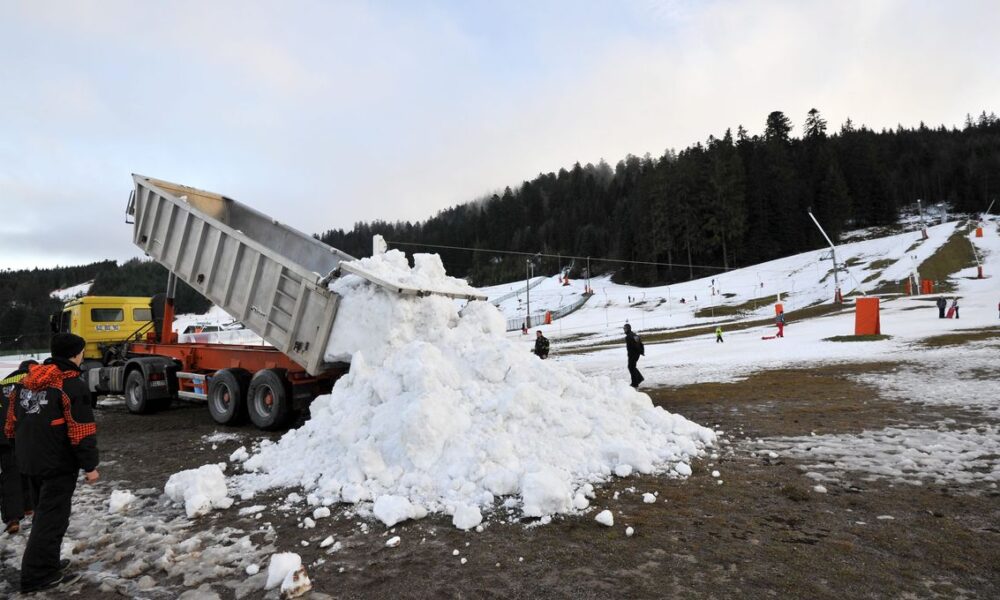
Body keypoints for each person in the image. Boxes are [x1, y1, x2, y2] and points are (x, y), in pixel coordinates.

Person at [5, 333, 99, 593]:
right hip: (57, 463)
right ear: (74, 354)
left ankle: (48, 563)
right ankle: (38, 576)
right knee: (52, 519)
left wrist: (19, 453)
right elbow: (81, 429)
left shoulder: (26, 381)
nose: (83, 355)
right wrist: (90, 466)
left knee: (43, 516)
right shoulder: (71, 384)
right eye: (81, 351)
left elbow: (11, 424)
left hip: (29, 460)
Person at [1, 360, 37, 534]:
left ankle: (13, 518)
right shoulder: (33, 381)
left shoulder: (3, 383)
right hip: (25, 434)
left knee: (10, 474)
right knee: (29, 469)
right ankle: (30, 506)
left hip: (3, 437)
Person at [623, 323, 644, 388]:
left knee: (631, 367)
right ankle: (639, 379)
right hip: (637, 354)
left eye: (625, 328)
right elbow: (640, 344)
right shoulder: (635, 335)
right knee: (632, 367)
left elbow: (634, 346)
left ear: (628, 329)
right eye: (624, 328)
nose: (624, 329)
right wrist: (640, 352)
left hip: (633, 354)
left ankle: (635, 383)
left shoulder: (628, 337)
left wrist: (631, 354)